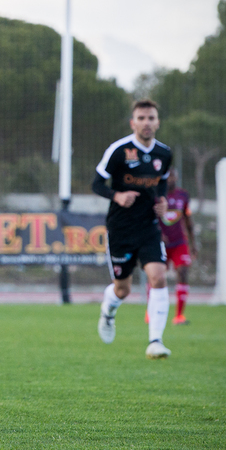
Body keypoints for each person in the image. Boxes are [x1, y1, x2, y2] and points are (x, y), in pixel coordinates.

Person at [92, 99, 173, 359]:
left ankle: (155, 341)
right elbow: (96, 184)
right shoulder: (119, 150)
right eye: (141, 118)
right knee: (122, 290)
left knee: (158, 277)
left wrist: (162, 201)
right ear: (133, 123)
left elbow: (161, 183)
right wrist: (116, 196)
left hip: (149, 226)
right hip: (121, 229)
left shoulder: (164, 153)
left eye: (151, 118)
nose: (146, 122)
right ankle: (108, 311)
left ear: (157, 122)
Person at [147, 169, 197, 325]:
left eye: (173, 176)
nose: (171, 179)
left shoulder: (183, 195)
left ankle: (179, 316)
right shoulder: (154, 195)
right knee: (156, 277)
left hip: (179, 242)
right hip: (159, 242)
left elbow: (187, 220)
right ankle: (151, 312)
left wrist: (193, 243)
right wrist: (157, 233)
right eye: (168, 177)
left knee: (183, 272)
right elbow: (146, 218)